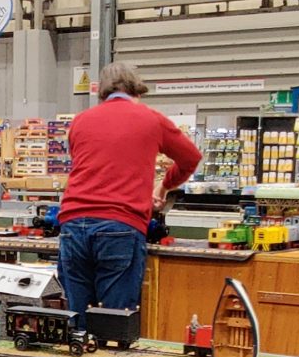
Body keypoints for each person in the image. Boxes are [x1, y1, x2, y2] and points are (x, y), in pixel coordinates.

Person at [55, 63, 200, 327]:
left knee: (78, 323)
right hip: (119, 226)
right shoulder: (151, 119)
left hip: (72, 226)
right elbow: (191, 158)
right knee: (114, 323)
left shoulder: (80, 121)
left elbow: (91, 168)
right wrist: (163, 187)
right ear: (138, 90)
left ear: (102, 92)